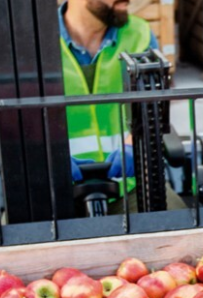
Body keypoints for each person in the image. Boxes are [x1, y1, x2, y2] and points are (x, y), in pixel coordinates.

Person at [60, 0, 185, 213]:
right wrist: (51, 161)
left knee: (180, 227)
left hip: (129, 186)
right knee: (15, 237)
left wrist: (132, 147)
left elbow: (150, 108)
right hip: (52, 190)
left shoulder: (139, 34)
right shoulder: (31, 42)